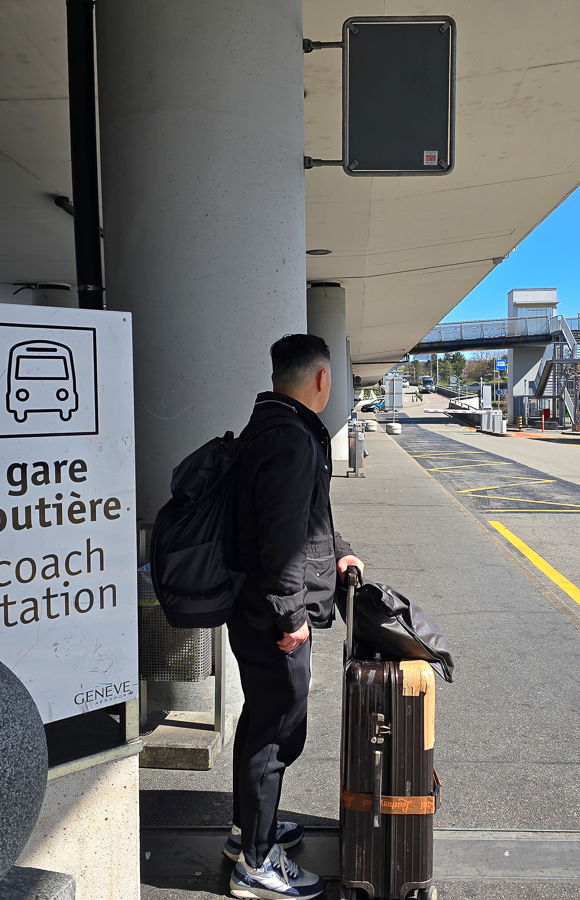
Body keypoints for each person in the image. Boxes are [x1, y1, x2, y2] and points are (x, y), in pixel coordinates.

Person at [224, 333, 364, 900]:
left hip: (254, 608)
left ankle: (248, 833)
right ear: (322, 379)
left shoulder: (270, 426)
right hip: (272, 616)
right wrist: (291, 619)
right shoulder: (292, 439)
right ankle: (256, 864)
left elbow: (306, 519)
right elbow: (280, 541)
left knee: (260, 720)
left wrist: (340, 548)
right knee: (277, 734)